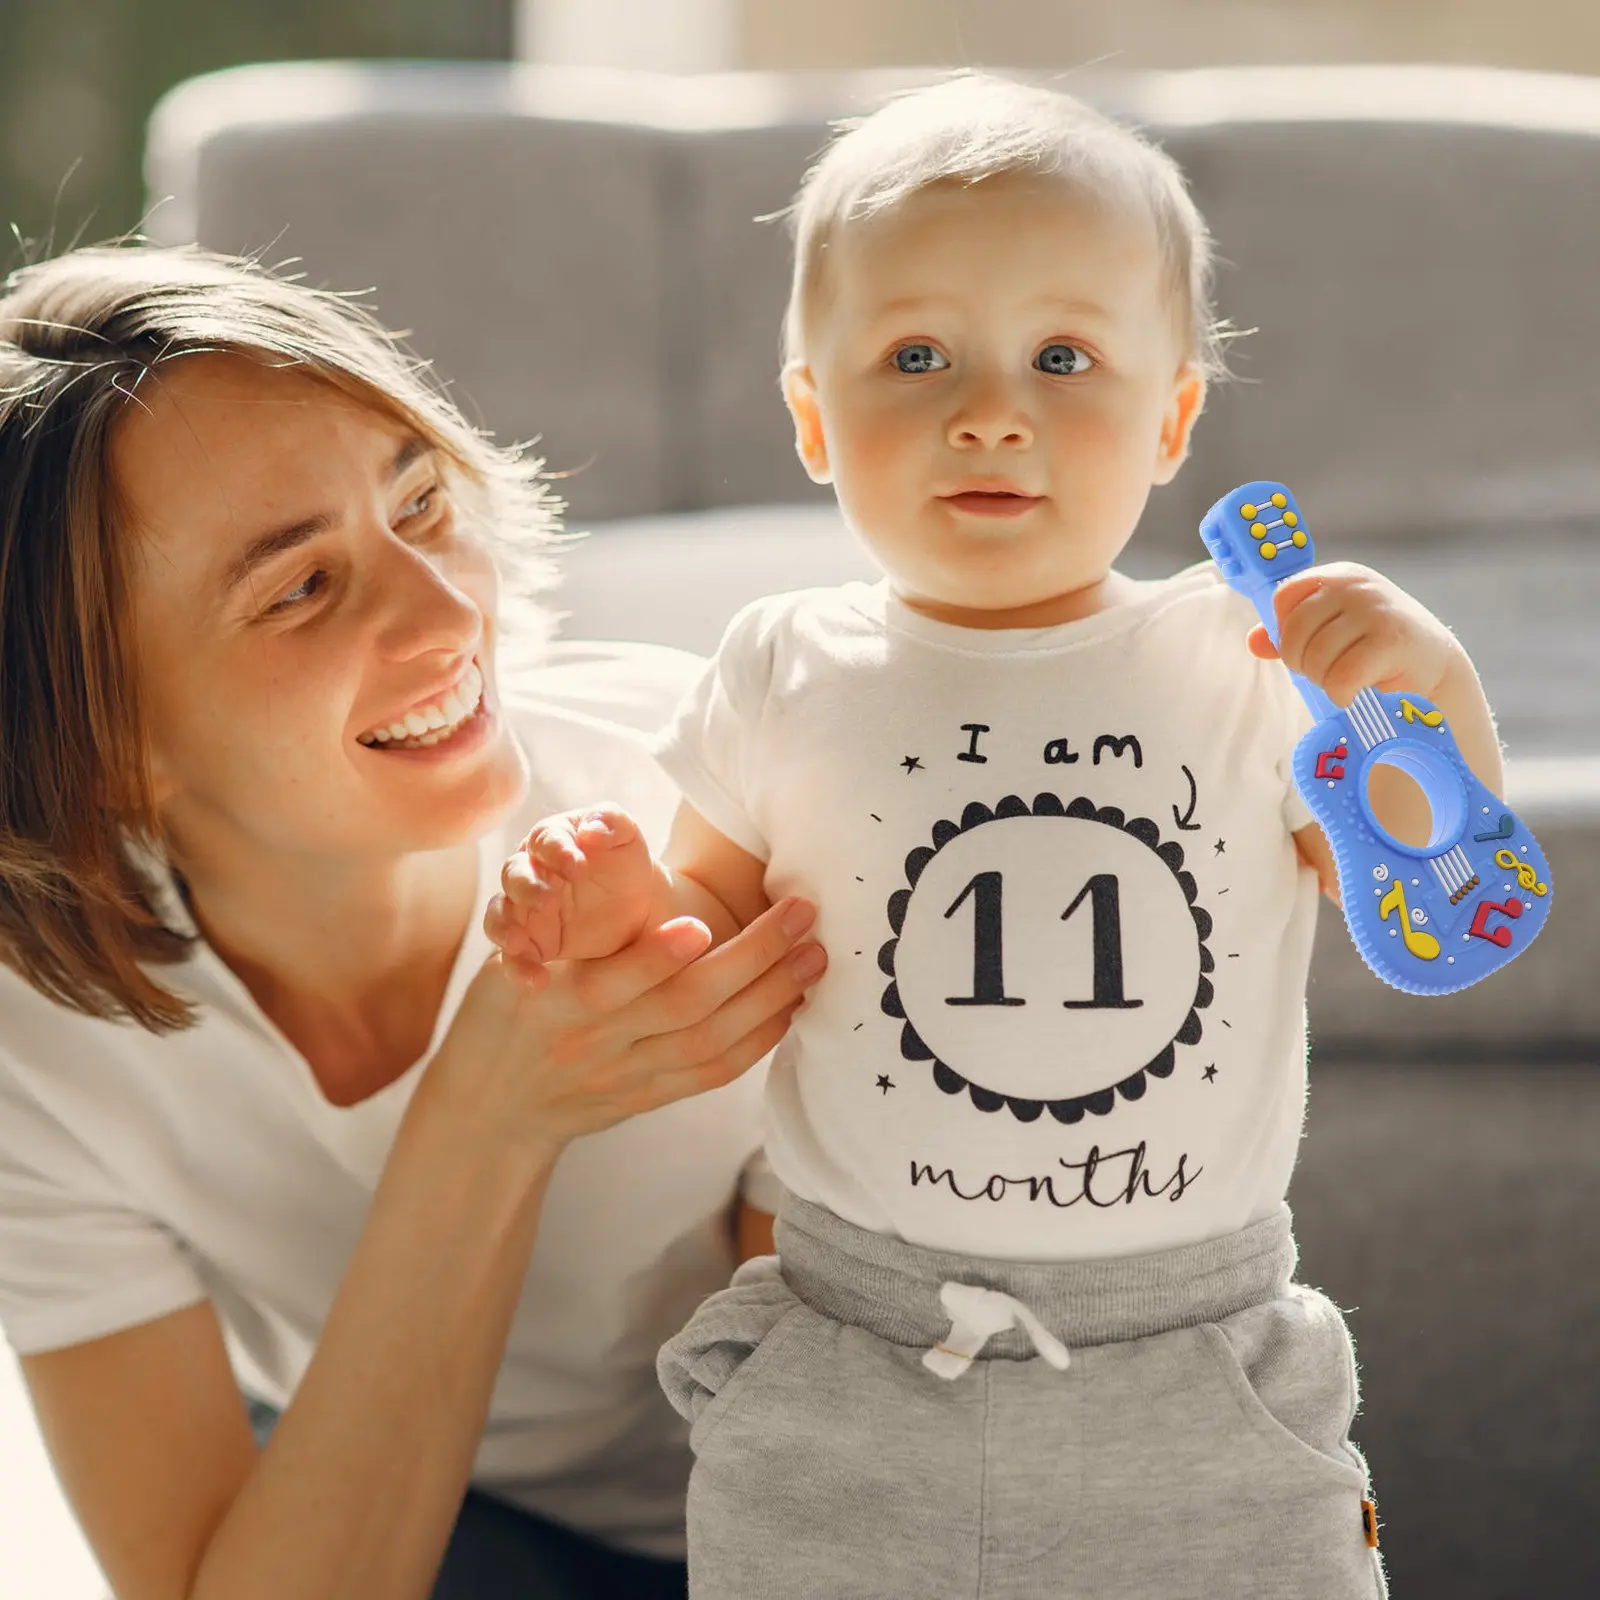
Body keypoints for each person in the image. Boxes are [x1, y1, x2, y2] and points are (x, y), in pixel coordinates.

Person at [487, 74, 1506, 1598]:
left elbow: (1431, 895)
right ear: (814, 420)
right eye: (915, 355)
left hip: (1192, 1364)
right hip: (859, 1356)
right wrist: (625, 915)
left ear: (1172, 422)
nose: (989, 409)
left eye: (1062, 356)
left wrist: (1428, 694)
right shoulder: (781, 662)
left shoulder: (1245, 659)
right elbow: (711, 939)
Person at [0, 243, 829, 1600]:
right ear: (100, 750)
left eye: (421, 502)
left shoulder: (725, 802)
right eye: (301, 589)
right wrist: (491, 1110)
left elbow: (860, 1443)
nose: (451, 613)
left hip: (795, 1497)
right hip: (431, 1500)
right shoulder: (38, 1036)